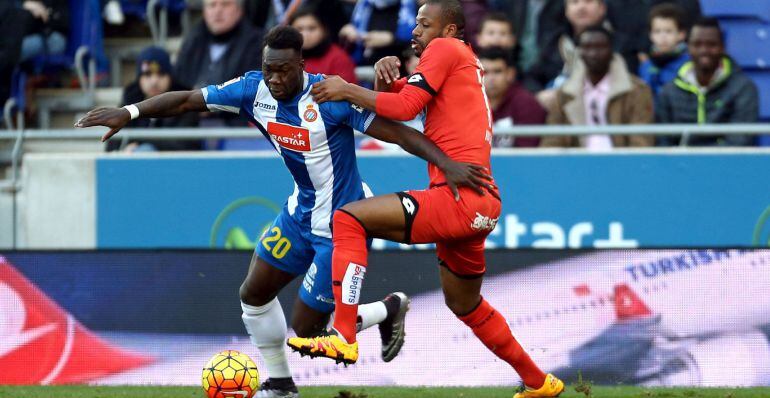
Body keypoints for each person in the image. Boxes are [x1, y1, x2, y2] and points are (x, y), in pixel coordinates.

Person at [76, 26, 492, 398]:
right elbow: (187, 100)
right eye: (268, 70)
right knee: (253, 294)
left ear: (301, 66)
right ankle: (280, 384)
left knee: (307, 329)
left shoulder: (329, 98)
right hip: (299, 214)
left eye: (282, 71)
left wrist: (447, 165)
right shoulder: (252, 90)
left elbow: (398, 132)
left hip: (343, 224)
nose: (274, 79)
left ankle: (387, 309)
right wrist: (129, 112)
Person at [286, 2, 564, 397]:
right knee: (466, 305)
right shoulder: (459, 61)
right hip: (480, 203)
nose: (415, 30)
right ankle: (539, 382)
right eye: (415, 22)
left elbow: (404, 108)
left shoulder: (445, 49)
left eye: (424, 23)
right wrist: (382, 78)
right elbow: (395, 104)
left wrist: (346, 88)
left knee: (348, 218)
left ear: (449, 30)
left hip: (458, 198)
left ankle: (344, 334)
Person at [541, 25, 653, 148]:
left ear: (611, 50)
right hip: (578, 159)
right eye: (587, 47)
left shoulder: (636, 90)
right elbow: (552, 141)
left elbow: (641, 142)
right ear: (579, 52)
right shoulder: (565, 93)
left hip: (621, 159)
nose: (593, 53)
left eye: (600, 47)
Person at [656, 18, 759, 146]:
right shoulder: (669, 92)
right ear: (688, 47)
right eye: (697, 44)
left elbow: (740, 141)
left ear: (722, 48)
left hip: (727, 159)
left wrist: (704, 157)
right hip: (681, 159)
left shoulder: (743, 88)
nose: (704, 50)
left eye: (711, 44)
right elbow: (664, 143)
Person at [175, 0, 263, 127]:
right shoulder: (192, 42)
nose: (218, 11)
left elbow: (254, 88)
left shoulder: (257, 43)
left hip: (237, 124)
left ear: (239, 10)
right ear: (204, 12)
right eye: (212, 5)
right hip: (189, 123)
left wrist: (212, 101)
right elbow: (178, 82)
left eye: (225, 4)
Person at [107, 47, 201, 152]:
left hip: (174, 161)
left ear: (170, 77)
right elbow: (112, 145)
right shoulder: (129, 102)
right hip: (134, 160)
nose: (154, 81)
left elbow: (183, 144)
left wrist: (139, 143)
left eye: (161, 74)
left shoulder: (185, 103)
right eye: (147, 74)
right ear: (139, 79)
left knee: (145, 150)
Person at [477, 46, 545, 147]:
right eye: (485, 72)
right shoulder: (468, 104)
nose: (491, 78)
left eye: (497, 71)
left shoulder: (526, 104)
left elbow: (526, 151)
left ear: (510, 74)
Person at [290, 5, 357, 83]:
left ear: (324, 30)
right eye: (299, 29)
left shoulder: (339, 59)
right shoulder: (285, 56)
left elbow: (346, 89)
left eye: (312, 28)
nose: (305, 34)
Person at [638, 3, 689, 97]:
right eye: (657, 31)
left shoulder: (689, 63)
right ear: (650, 35)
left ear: (681, 34)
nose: (662, 37)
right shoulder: (646, 65)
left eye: (668, 31)